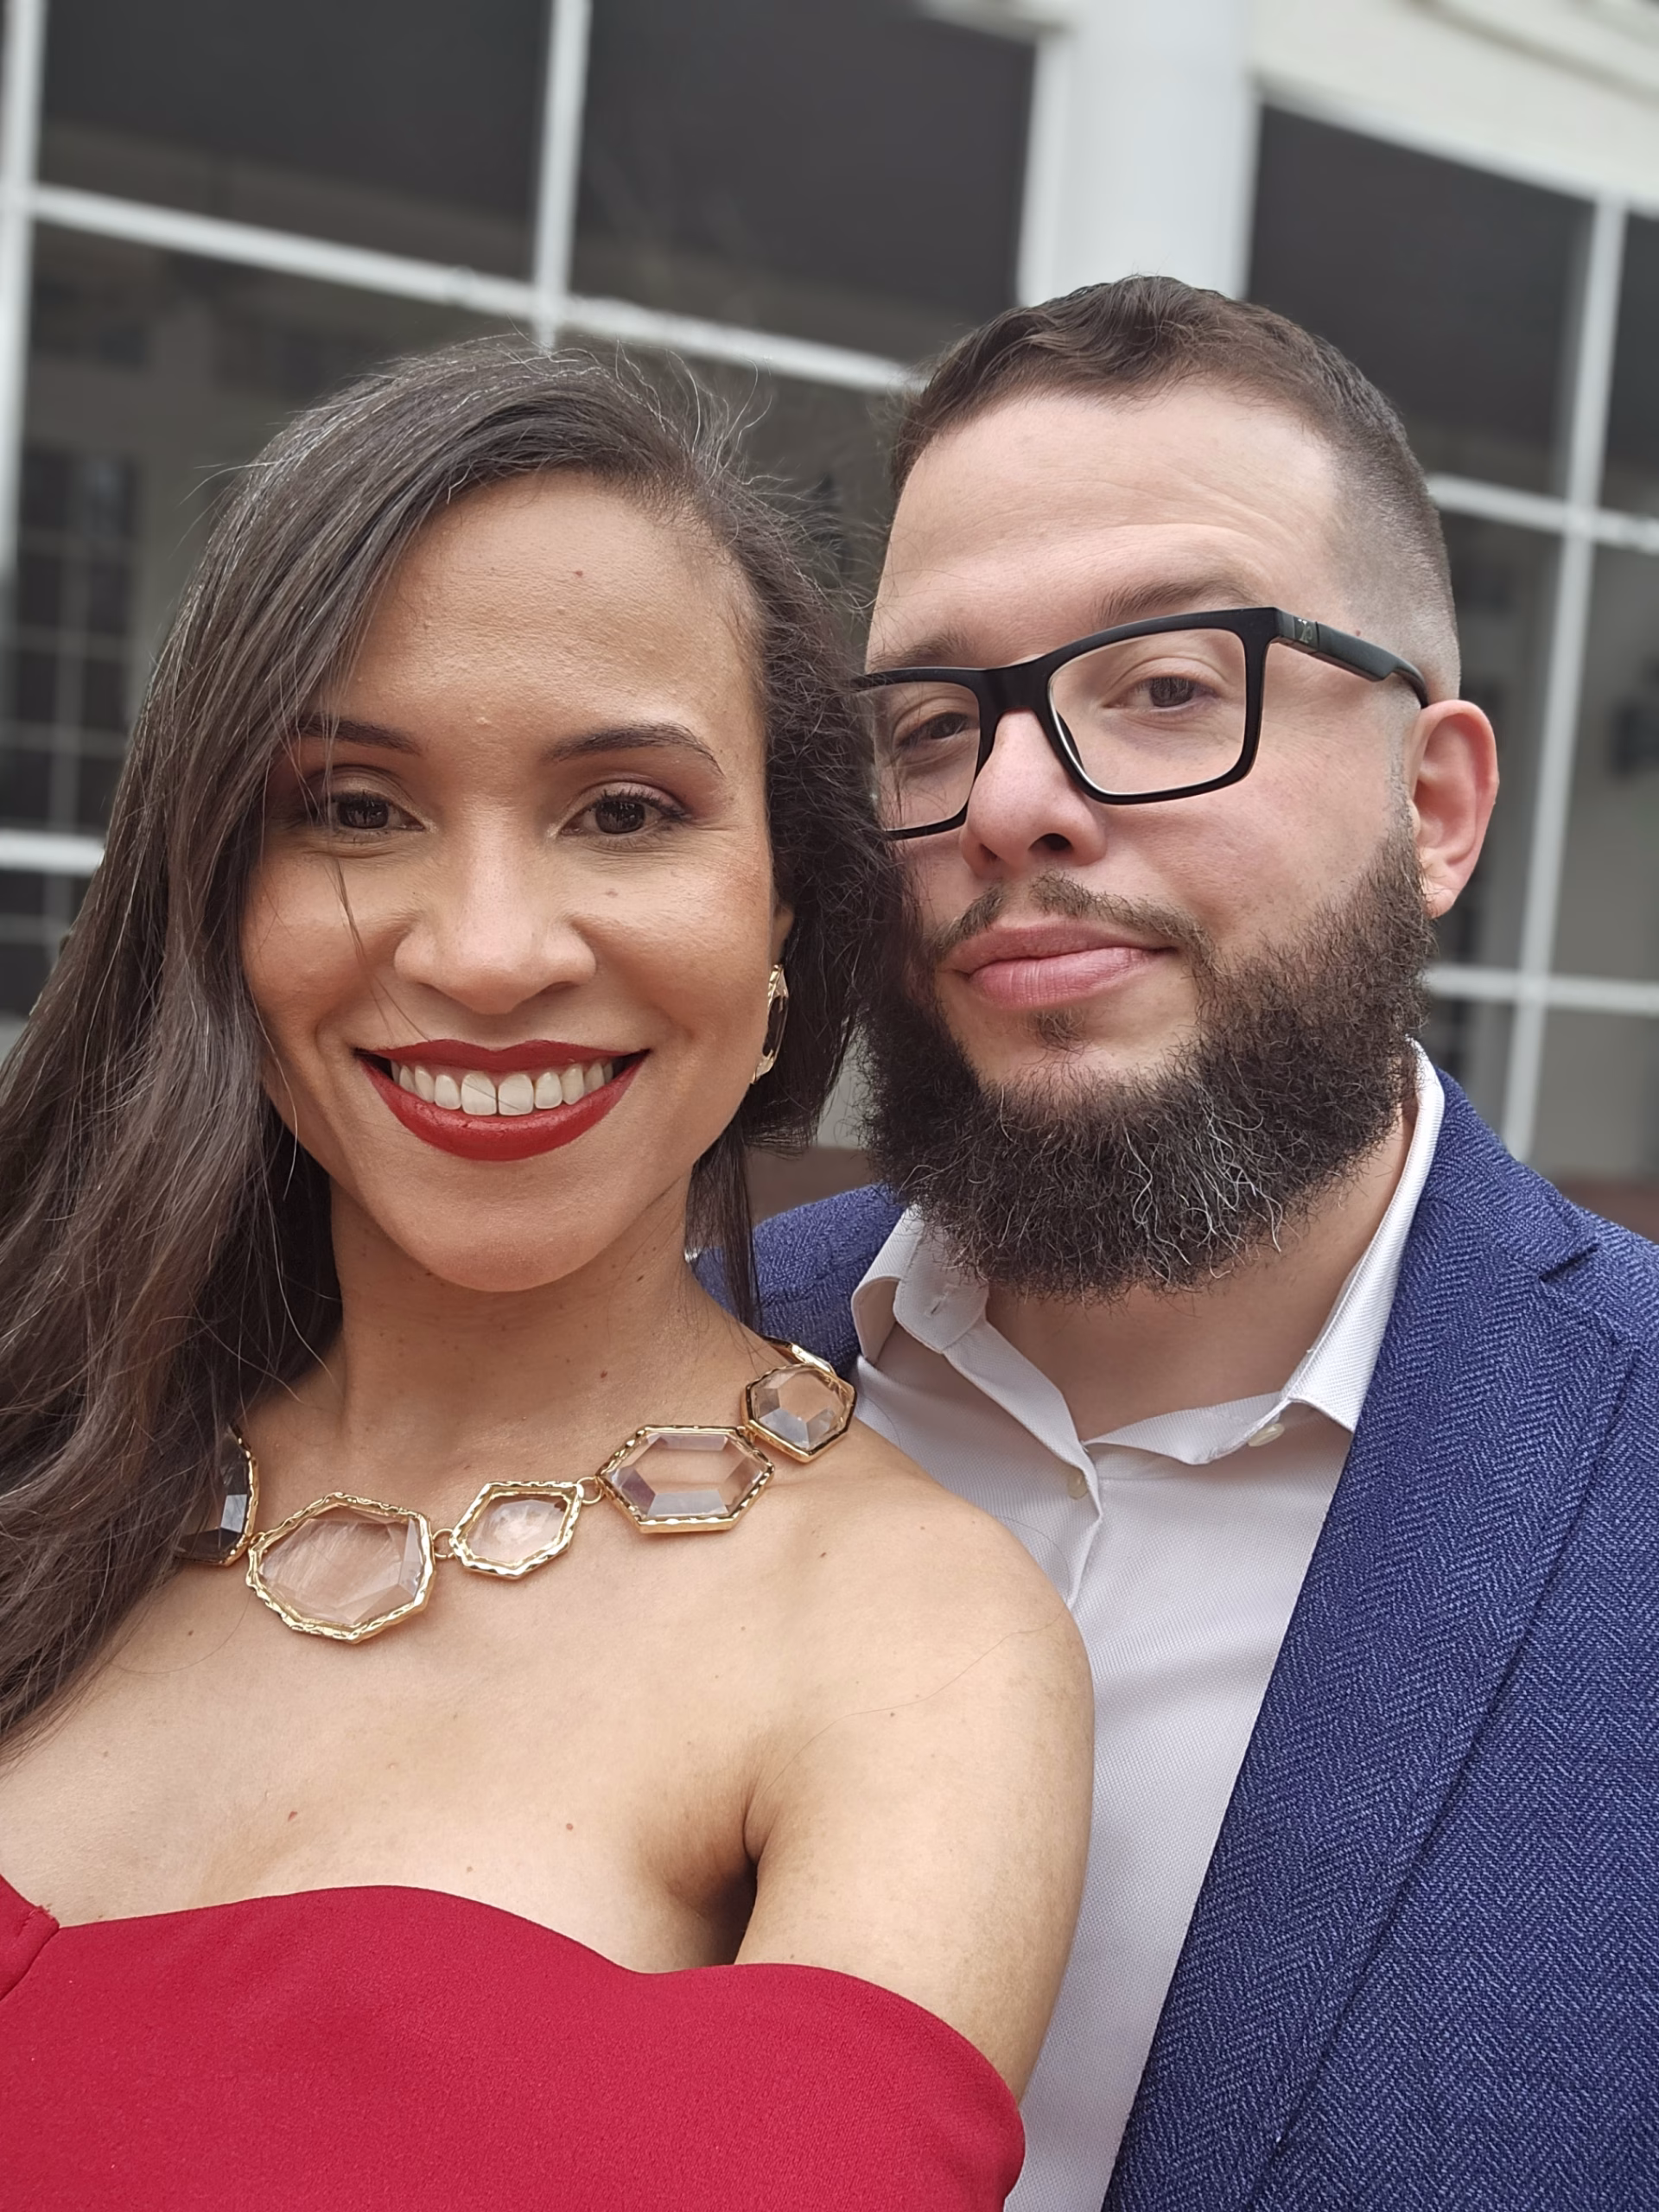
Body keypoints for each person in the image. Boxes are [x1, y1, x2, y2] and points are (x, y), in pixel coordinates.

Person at [0, 342, 1091, 2209]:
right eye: (356, 807)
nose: (490, 952)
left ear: (787, 915)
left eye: (626, 811)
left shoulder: (915, 1647)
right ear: (221, 895)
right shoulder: (51, 1425)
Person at [744, 278, 1659, 2210]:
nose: (1010, 801)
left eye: (1168, 684)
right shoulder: (677, 1367)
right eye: (933, 721)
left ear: (1435, 807)